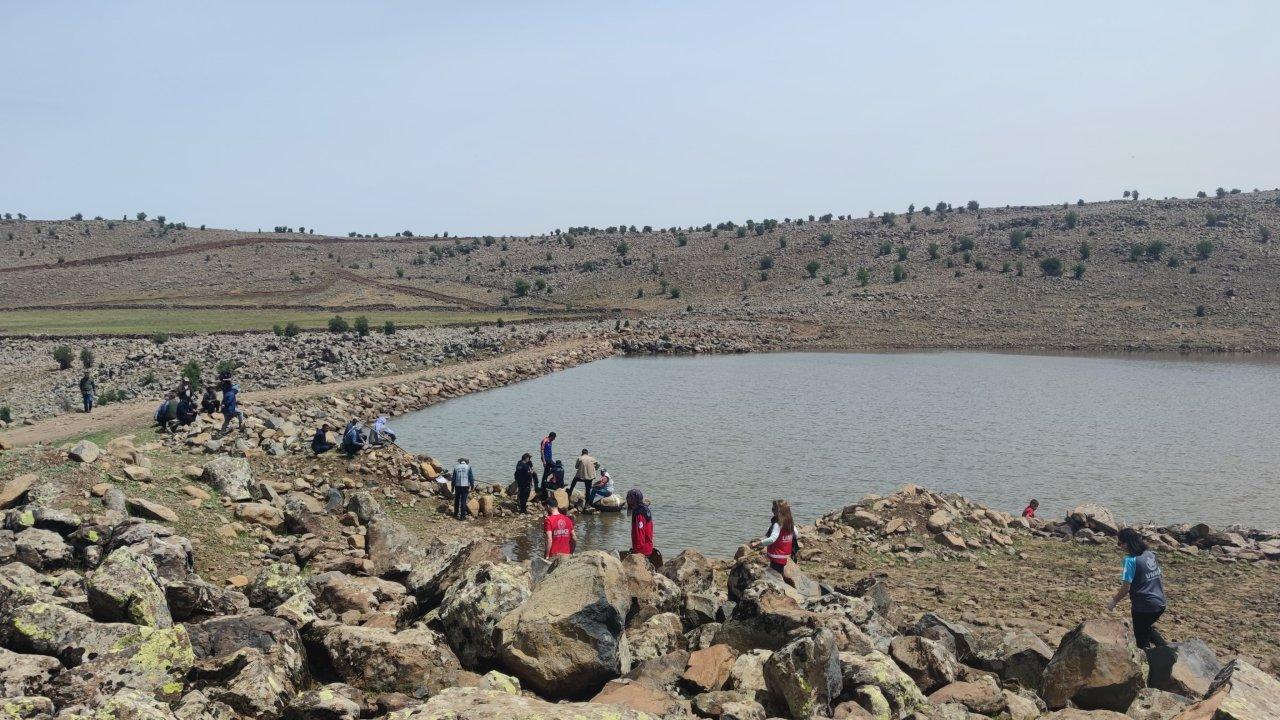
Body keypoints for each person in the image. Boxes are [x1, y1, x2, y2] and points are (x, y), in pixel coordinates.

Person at [1108, 527, 1169, 649]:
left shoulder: (1130, 561)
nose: (1120, 547)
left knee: (1141, 640)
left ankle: (1156, 658)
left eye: (1120, 543)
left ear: (1127, 543)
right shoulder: (1150, 555)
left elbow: (1126, 587)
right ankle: (1166, 649)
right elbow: (1158, 575)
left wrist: (1113, 602)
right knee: (1145, 628)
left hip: (1144, 607)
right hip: (1160, 603)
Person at [750, 499, 800, 587]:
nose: (772, 511)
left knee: (775, 578)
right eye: (772, 508)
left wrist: (758, 543)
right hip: (785, 555)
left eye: (774, 509)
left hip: (776, 556)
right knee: (780, 573)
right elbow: (796, 534)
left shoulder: (777, 524)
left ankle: (780, 589)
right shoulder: (790, 523)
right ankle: (786, 585)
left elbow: (772, 539)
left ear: (780, 511)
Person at [543, 494, 575, 558]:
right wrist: (571, 552)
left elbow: (549, 539)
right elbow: (574, 537)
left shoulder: (548, 520)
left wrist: (546, 556)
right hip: (566, 554)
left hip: (554, 555)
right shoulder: (567, 519)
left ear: (548, 506)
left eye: (545, 507)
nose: (545, 508)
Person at [627, 488, 654, 560]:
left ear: (634, 500)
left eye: (629, 498)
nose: (627, 500)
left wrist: (638, 550)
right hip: (646, 547)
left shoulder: (640, 513)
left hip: (642, 550)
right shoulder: (644, 509)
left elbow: (640, 532)